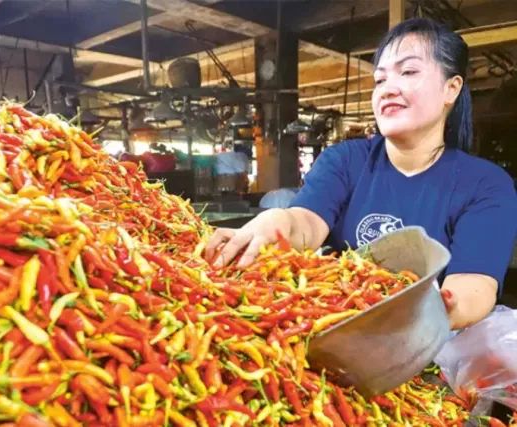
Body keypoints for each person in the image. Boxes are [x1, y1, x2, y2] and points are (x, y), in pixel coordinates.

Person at [204, 18, 517, 330]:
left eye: (408, 72)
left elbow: (475, 285)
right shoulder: (345, 160)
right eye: (380, 80)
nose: (387, 89)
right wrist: (278, 222)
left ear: (451, 89)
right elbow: (307, 222)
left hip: (428, 345)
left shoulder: (485, 184)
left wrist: (439, 308)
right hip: (335, 328)